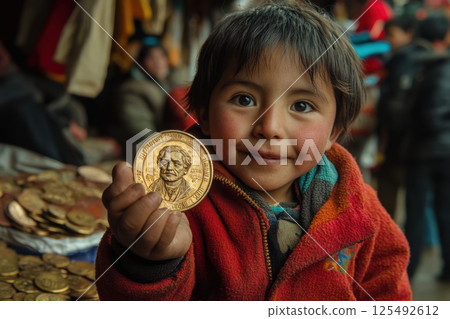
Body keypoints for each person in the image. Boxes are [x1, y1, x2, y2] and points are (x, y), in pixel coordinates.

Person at [96, 2, 411, 300]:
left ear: (334, 132)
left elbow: (389, 294)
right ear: (203, 114)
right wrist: (150, 262)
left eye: (302, 105)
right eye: (243, 99)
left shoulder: (360, 208)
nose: (269, 127)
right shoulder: (175, 207)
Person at [403, 15, 450, 281]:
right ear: (443, 37)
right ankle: (447, 268)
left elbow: (429, 116)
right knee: (445, 212)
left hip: (421, 153)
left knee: (417, 214)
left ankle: (407, 273)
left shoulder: (415, 65)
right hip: (445, 153)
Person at [375, 15, 428, 218]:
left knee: (390, 184)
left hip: (399, 137)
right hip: (414, 137)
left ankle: (386, 232)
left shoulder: (404, 61)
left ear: (409, 34)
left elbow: (393, 106)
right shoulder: (421, 57)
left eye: (392, 35)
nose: (389, 40)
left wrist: (385, 137)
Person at [113, 43, 177, 145]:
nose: (157, 62)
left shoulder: (170, 85)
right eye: (151, 57)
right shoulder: (132, 90)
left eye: (161, 56)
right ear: (141, 63)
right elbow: (140, 130)